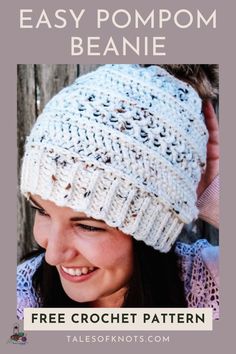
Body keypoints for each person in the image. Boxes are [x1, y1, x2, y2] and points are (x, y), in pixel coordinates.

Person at [17, 64, 219, 319]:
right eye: (42, 211)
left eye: (88, 226)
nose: (53, 255)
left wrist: (213, 194)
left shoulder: (210, 286)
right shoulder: (21, 302)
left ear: (148, 229)